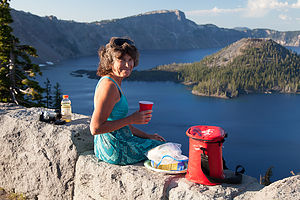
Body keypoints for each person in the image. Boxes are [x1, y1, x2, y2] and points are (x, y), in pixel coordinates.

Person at [90, 37, 166, 165]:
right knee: (166, 149)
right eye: (122, 60)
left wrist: (147, 136)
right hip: (115, 150)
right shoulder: (109, 86)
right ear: (110, 63)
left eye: (130, 60)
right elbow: (95, 128)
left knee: (158, 143)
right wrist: (131, 119)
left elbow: (117, 122)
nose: (127, 65)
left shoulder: (111, 82)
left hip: (108, 146)